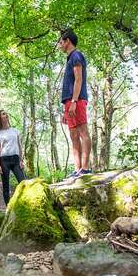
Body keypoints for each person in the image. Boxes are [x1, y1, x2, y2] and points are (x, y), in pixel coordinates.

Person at [58, 29, 92, 178]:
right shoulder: (70, 58)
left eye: (61, 42)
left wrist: (74, 101)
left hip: (76, 100)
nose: (59, 45)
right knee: (73, 135)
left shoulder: (76, 55)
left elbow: (79, 79)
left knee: (83, 132)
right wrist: (66, 108)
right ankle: (77, 169)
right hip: (69, 102)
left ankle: (85, 168)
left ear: (67, 41)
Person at [0, 110, 26, 205]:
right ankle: (8, 208)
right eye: (3, 114)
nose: (6, 115)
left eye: (6, 113)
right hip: (4, 161)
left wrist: (21, 160)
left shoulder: (15, 131)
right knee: (6, 186)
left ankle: (23, 204)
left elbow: (19, 147)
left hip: (15, 160)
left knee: (23, 182)